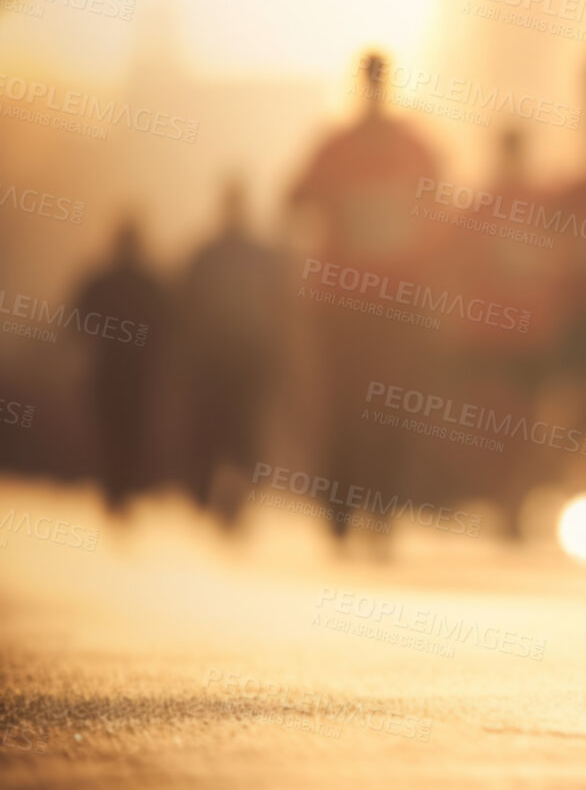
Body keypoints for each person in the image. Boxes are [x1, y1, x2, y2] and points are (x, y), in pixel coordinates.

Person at [286, 51, 443, 547]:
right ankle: (340, 507)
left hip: (399, 301)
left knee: (394, 407)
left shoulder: (415, 147)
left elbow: (442, 204)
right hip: (342, 304)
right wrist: (329, 203)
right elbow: (294, 199)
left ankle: (382, 506)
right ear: (361, 83)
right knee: (343, 405)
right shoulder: (335, 147)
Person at [176, 178, 287, 528]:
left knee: (231, 424)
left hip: (239, 355)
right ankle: (218, 490)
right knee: (230, 424)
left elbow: (280, 306)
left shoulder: (215, 253)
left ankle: (226, 491)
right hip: (227, 356)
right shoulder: (245, 254)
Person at [75, 219, 168, 515]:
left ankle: (116, 488)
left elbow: (75, 319)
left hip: (113, 371)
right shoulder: (149, 283)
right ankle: (120, 487)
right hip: (134, 374)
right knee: (127, 430)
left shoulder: (104, 279)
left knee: (114, 430)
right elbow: (169, 328)